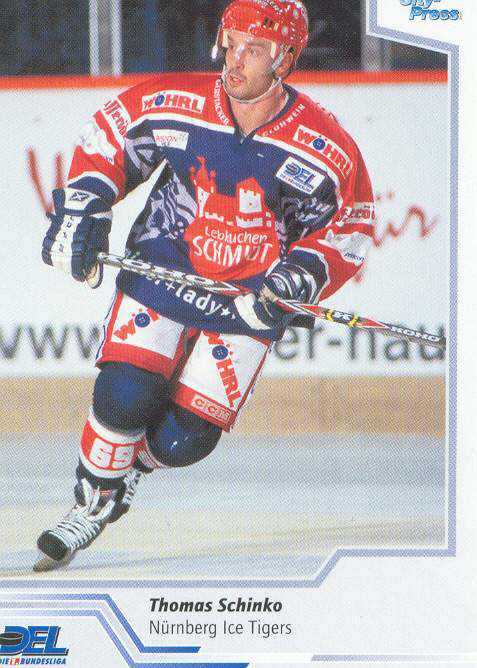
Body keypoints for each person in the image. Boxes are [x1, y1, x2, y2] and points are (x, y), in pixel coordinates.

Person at [35, 0, 374, 571]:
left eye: (254, 49)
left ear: (285, 60)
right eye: (231, 42)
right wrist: (85, 204)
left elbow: (351, 221)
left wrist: (299, 276)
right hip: (163, 267)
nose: (234, 60)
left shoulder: (321, 143)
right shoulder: (180, 101)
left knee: (183, 442)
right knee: (123, 396)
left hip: (248, 298)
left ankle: (131, 469)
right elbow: (110, 134)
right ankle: (92, 502)